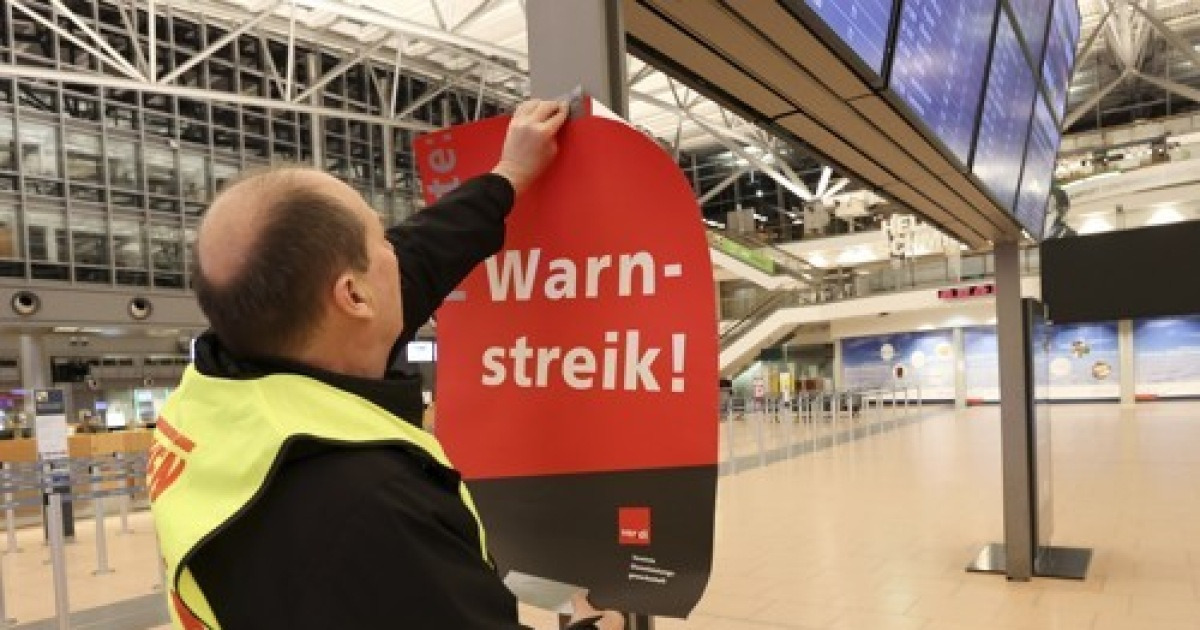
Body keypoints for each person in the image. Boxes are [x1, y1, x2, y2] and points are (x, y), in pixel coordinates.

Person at [148, 100, 624, 630]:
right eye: (381, 238)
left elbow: (419, 255)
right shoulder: (372, 509)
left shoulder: (215, 394)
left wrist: (508, 176)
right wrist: (592, 622)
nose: (397, 249)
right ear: (352, 296)